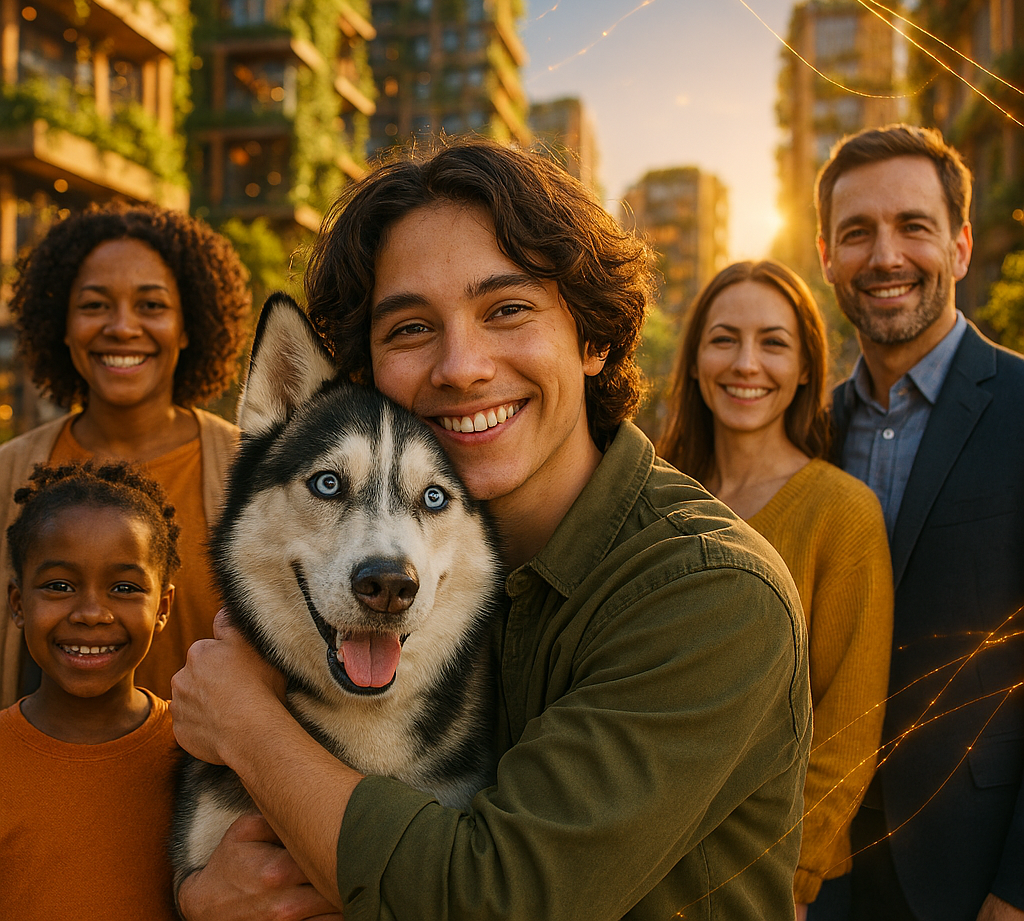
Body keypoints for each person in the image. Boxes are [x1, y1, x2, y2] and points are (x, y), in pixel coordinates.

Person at [171, 137, 812, 920]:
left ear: (593, 338)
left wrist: (246, 725)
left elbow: (492, 900)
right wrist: (201, 893)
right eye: (411, 328)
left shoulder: (713, 593)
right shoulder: (400, 574)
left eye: (506, 310)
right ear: (368, 374)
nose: (461, 367)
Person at [815, 124, 1024, 921]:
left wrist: (1019, 890)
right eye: (857, 232)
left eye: (913, 226)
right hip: (826, 874)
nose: (885, 256)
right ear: (827, 257)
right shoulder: (809, 433)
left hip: (976, 868)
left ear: (960, 247)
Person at [658, 259, 893, 918]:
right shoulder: (654, 497)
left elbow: (847, 729)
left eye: (774, 343)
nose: (746, 364)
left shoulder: (843, 514)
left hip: (771, 890)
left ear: (806, 369)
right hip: (645, 869)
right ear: (695, 360)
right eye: (724, 339)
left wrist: (791, 878)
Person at [0, 203, 250, 705]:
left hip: (215, 757)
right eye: (94, 305)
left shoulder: (249, 469)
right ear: (62, 324)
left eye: (151, 305)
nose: (122, 327)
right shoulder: (8, 473)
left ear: (187, 326)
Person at [1, 460, 182, 920]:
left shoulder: (199, 752)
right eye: (60, 586)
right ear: (18, 604)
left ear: (162, 607)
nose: (92, 613)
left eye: (124, 587)